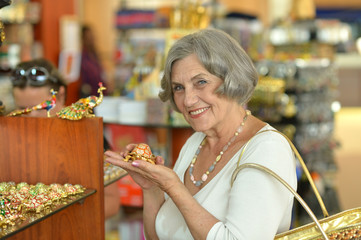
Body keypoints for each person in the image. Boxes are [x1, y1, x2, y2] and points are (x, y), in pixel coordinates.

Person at [105, 28, 297, 239]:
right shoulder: (196, 142)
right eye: (179, 88)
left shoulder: (267, 149)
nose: (187, 100)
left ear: (232, 78)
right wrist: (152, 189)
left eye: (201, 82)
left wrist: (173, 187)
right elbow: (158, 236)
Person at [11, 58, 120, 219]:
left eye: (41, 107)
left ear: (60, 95)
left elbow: (111, 201)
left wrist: (66, 219)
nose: (31, 116)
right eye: (22, 109)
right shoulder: (11, 136)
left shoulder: (86, 134)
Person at [79, 25, 108, 98]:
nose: (91, 39)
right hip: (90, 95)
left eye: (92, 36)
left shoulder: (94, 54)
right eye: (88, 37)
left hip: (101, 93)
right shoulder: (82, 56)